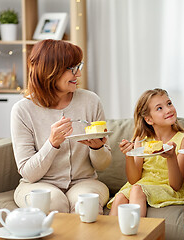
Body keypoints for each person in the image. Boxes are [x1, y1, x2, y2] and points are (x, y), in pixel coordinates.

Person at [11, 39, 111, 214]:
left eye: (78, 66)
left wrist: (98, 148)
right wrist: (52, 144)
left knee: (86, 205)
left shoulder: (91, 101)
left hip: (84, 182)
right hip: (38, 184)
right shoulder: (22, 110)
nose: (78, 74)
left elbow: (103, 165)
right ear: (50, 71)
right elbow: (28, 173)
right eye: (72, 69)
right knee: (53, 203)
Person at [107, 88, 184, 216]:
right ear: (149, 119)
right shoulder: (141, 141)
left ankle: (137, 235)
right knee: (119, 197)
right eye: (159, 108)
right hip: (141, 185)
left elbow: (176, 185)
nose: (168, 110)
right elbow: (134, 179)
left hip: (167, 188)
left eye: (169, 103)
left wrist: (171, 156)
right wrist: (129, 155)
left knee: (136, 190)